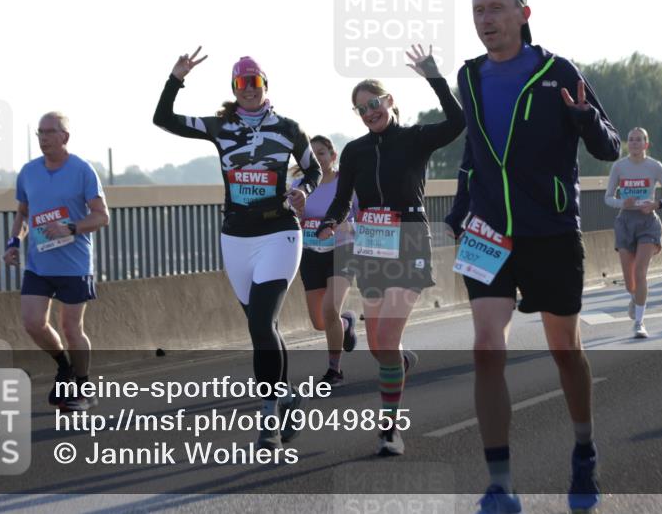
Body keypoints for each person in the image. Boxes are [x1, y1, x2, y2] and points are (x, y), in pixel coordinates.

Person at [443, 0, 620, 514]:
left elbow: (609, 146)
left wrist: (583, 118)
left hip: (549, 229)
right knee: (485, 348)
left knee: (564, 349)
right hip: (487, 231)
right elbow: (476, 149)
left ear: (524, 13)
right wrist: (460, 206)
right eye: (477, 12)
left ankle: (584, 451)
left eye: (496, 8)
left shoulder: (556, 70)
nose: (486, 19)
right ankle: (500, 484)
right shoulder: (467, 77)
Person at [153, 50, 320, 450]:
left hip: (279, 232)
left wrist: (302, 191)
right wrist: (176, 77)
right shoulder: (220, 126)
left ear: (266, 85)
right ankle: (286, 397)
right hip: (235, 237)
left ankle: (268, 419)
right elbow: (164, 120)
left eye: (255, 82)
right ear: (233, 88)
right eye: (242, 83)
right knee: (263, 328)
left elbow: (313, 168)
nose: (249, 89)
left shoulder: (289, 128)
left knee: (262, 324)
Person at [318, 43, 464, 458]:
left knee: (387, 335)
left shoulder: (415, 139)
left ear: (389, 101)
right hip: (370, 245)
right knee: (380, 346)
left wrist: (435, 77)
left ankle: (389, 429)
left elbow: (457, 122)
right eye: (361, 110)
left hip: (410, 240)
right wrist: (330, 221)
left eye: (374, 104)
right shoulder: (355, 151)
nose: (370, 113)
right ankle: (396, 363)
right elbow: (341, 198)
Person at [3, 112, 109, 411]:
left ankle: (83, 384)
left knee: (71, 328)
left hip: (74, 264)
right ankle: (64, 367)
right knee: (33, 323)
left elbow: (102, 216)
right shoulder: (28, 172)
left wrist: (71, 227)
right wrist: (14, 243)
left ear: (65, 136)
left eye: (50, 132)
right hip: (39, 264)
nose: (44, 138)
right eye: (40, 132)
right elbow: (24, 213)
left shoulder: (82, 170)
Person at [291, 135, 358, 387]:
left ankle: (334, 371)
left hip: (342, 250)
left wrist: (347, 227)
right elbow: (292, 220)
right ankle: (344, 323)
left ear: (333, 156)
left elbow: (362, 216)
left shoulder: (346, 183)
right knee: (320, 322)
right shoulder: (300, 185)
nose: (317, 158)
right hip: (310, 253)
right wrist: (297, 214)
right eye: (312, 154)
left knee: (330, 308)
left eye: (322, 152)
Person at [605, 128, 662, 337]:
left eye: (639, 140)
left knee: (640, 271)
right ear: (627, 144)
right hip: (625, 221)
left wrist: (656, 204)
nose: (635, 143)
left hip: (648, 222)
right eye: (631, 140)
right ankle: (635, 296)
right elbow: (608, 197)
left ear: (646, 144)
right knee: (630, 280)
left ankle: (639, 323)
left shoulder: (654, 166)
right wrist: (622, 202)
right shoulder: (619, 167)